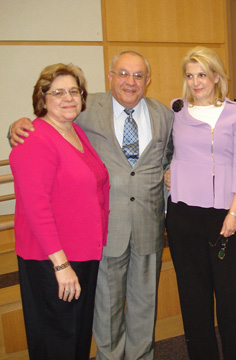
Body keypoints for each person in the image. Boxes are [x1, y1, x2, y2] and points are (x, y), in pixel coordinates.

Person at [10, 51, 174, 360]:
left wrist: (170, 173)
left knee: (143, 305)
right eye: (123, 73)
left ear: (148, 81)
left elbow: (169, 159)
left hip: (146, 225)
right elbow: (43, 127)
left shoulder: (163, 115)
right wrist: (15, 127)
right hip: (104, 232)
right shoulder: (85, 111)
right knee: (103, 311)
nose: (130, 81)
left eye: (138, 75)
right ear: (110, 76)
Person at [9, 63, 109, 359]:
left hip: (83, 253)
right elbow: (36, 208)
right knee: (56, 339)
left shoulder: (75, 130)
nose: (68, 98)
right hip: (52, 260)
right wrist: (61, 266)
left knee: (77, 334)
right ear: (42, 99)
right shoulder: (34, 139)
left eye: (74, 91)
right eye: (58, 92)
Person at [165, 46, 236, 360]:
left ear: (216, 76)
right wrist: (166, 172)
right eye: (190, 75)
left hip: (224, 215)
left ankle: (234, 354)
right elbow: (164, 152)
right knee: (193, 293)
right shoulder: (175, 112)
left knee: (229, 293)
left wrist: (234, 211)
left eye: (202, 74)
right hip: (184, 213)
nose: (195, 82)